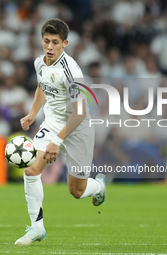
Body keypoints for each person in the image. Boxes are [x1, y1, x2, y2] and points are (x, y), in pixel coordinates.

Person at [15, 18, 106, 246]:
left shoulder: (72, 71)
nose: (50, 47)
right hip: (53, 121)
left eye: (55, 42)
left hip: (79, 128)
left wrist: (56, 141)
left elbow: (79, 112)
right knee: (31, 170)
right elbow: (41, 87)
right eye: (46, 41)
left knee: (76, 191)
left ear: (65, 43)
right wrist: (33, 113)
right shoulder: (40, 63)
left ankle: (100, 187)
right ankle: (37, 228)